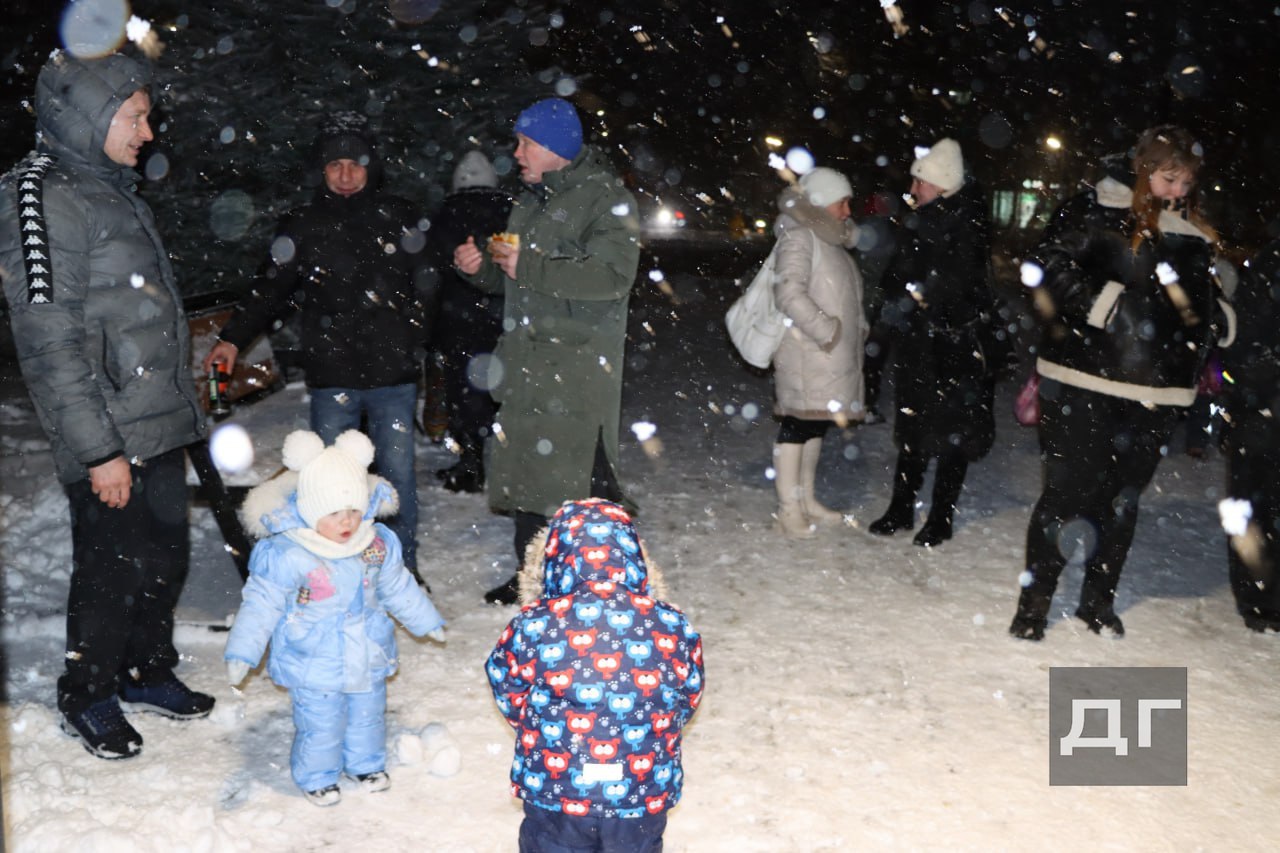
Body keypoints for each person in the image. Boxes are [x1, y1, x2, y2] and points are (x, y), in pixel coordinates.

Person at [0, 49, 214, 760]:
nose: (149, 133)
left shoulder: (106, 186)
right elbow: (48, 339)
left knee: (164, 558)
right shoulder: (40, 195)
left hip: (152, 417)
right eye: (136, 116)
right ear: (90, 114)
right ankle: (87, 691)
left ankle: (144, 670)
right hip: (109, 428)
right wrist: (99, 449)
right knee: (112, 569)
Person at [1009, 126, 1235, 641]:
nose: (1179, 190)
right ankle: (1033, 608)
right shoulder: (1097, 208)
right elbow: (1045, 263)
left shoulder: (1194, 230)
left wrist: (1216, 321)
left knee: (1121, 502)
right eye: (1169, 178)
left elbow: (1198, 298)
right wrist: (1099, 306)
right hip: (1086, 380)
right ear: (1143, 169)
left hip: (1159, 392)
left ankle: (1097, 603)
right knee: (1066, 497)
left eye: (1186, 181)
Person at [203, 112, 431, 586]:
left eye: (354, 164)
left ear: (370, 167)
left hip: (393, 376)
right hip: (333, 376)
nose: (345, 175)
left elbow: (430, 285)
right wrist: (232, 339)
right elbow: (269, 290)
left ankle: (400, 572)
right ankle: (340, 572)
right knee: (330, 485)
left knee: (397, 481)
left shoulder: (399, 216)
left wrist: (417, 337)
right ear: (322, 171)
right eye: (334, 165)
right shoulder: (303, 224)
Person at [453, 97, 641, 605]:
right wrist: (482, 268)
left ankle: (600, 585)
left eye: (526, 143)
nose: (516, 154)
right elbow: (514, 277)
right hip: (527, 364)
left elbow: (612, 277)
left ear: (557, 147)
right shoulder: (531, 199)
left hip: (576, 370)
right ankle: (531, 576)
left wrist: (529, 265)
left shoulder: (605, 199)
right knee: (528, 476)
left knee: (584, 485)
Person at [225, 429, 445, 806]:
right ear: (311, 510)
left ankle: (365, 764)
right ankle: (317, 776)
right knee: (322, 723)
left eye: (354, 511)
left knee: (367, 715)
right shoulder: (289, 554)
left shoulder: (375, 544)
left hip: (368, 651)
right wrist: (243, 652)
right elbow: (261, 604)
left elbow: (397, 586)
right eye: (334, 513)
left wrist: (426, 620)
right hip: (313, 658)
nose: (347, 523)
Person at [484, 499, 704, 851]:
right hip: (640, 787)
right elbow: (688, 692)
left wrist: (538, 723)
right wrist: (654, 720)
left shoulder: (534, 623)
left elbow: (506, 684)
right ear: (633, 557)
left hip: (557, 785)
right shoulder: (670, 623)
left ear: (555, 559)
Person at [868, 138, 997, 548]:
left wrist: (917, 297)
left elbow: (958, 282)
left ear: (942, 183)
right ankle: (901, 507)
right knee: (913, 425)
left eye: (919, 180)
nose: (912, 187)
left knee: (952, 433)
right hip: (918, 344)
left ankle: (941, 516)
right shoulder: (920, 220)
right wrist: (892, 305)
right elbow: (898, 274)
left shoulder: (967, 222)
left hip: (953, 346)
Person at [768, 167, 868, 538]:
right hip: (806, 353)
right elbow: (788, 293)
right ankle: (788, 509)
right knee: (796, 427)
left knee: (813, 424)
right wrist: (827, 331)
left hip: (827, 356)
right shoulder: (800, 236)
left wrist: (854, 332)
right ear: (823, 201)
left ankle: (806, 499)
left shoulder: (830, 241)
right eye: (842, 203)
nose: (848, 211)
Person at [426, 150, 512, 493]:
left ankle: (471, 462)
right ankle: (509, 464)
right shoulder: (510, 212)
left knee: (465, 393)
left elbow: (431, 271)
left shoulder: (444, 215)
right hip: (501, 317)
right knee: (502, 390)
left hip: (457, 320)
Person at [1220, 237, 1280, 632]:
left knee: (1257, 505)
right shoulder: (1268, 267)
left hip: (1259, 407)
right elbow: (1244, 345)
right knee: (1255, 505)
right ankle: (1260, 598)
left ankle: (1262, 597)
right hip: (1260, 410)